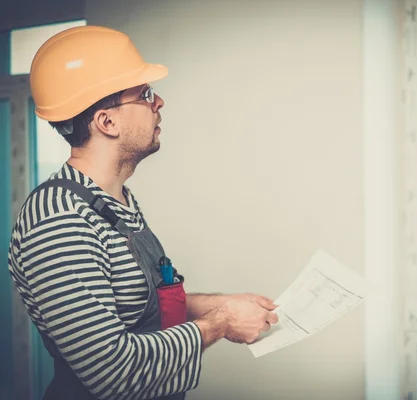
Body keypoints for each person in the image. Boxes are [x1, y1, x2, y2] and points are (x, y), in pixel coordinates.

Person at [7, 25, 278, 400]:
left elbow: (138, 303)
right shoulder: (59, 219)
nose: (159, 102)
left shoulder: (113, 201)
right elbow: (112, 372)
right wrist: (220, 324)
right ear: (107, 122)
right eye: (145, 94)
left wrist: (218, 305)